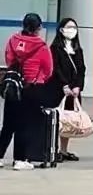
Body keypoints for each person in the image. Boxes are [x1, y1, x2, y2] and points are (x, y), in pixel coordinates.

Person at [0, 13, 54, 170]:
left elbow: (9, 60)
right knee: (24, 125)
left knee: (8, 124)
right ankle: (20, 159)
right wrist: (38, 78)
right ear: (39, 28)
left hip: (13, 86)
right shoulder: (41, 46)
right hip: (31, 88)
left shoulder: (13, 40)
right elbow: (48, 69)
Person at [46, 17, 86, 163]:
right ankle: (52, 148)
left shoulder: (77, 49)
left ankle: (63, 150)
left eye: (74, 27)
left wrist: (78, 86)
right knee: (56, 119)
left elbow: (81, 69)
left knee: (68, 120)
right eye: (69, 27)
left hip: (73, 91)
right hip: (57, 89)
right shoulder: (55, 48)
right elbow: (55, 68)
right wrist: (64, 85)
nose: (72, 30)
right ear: (61, 29)